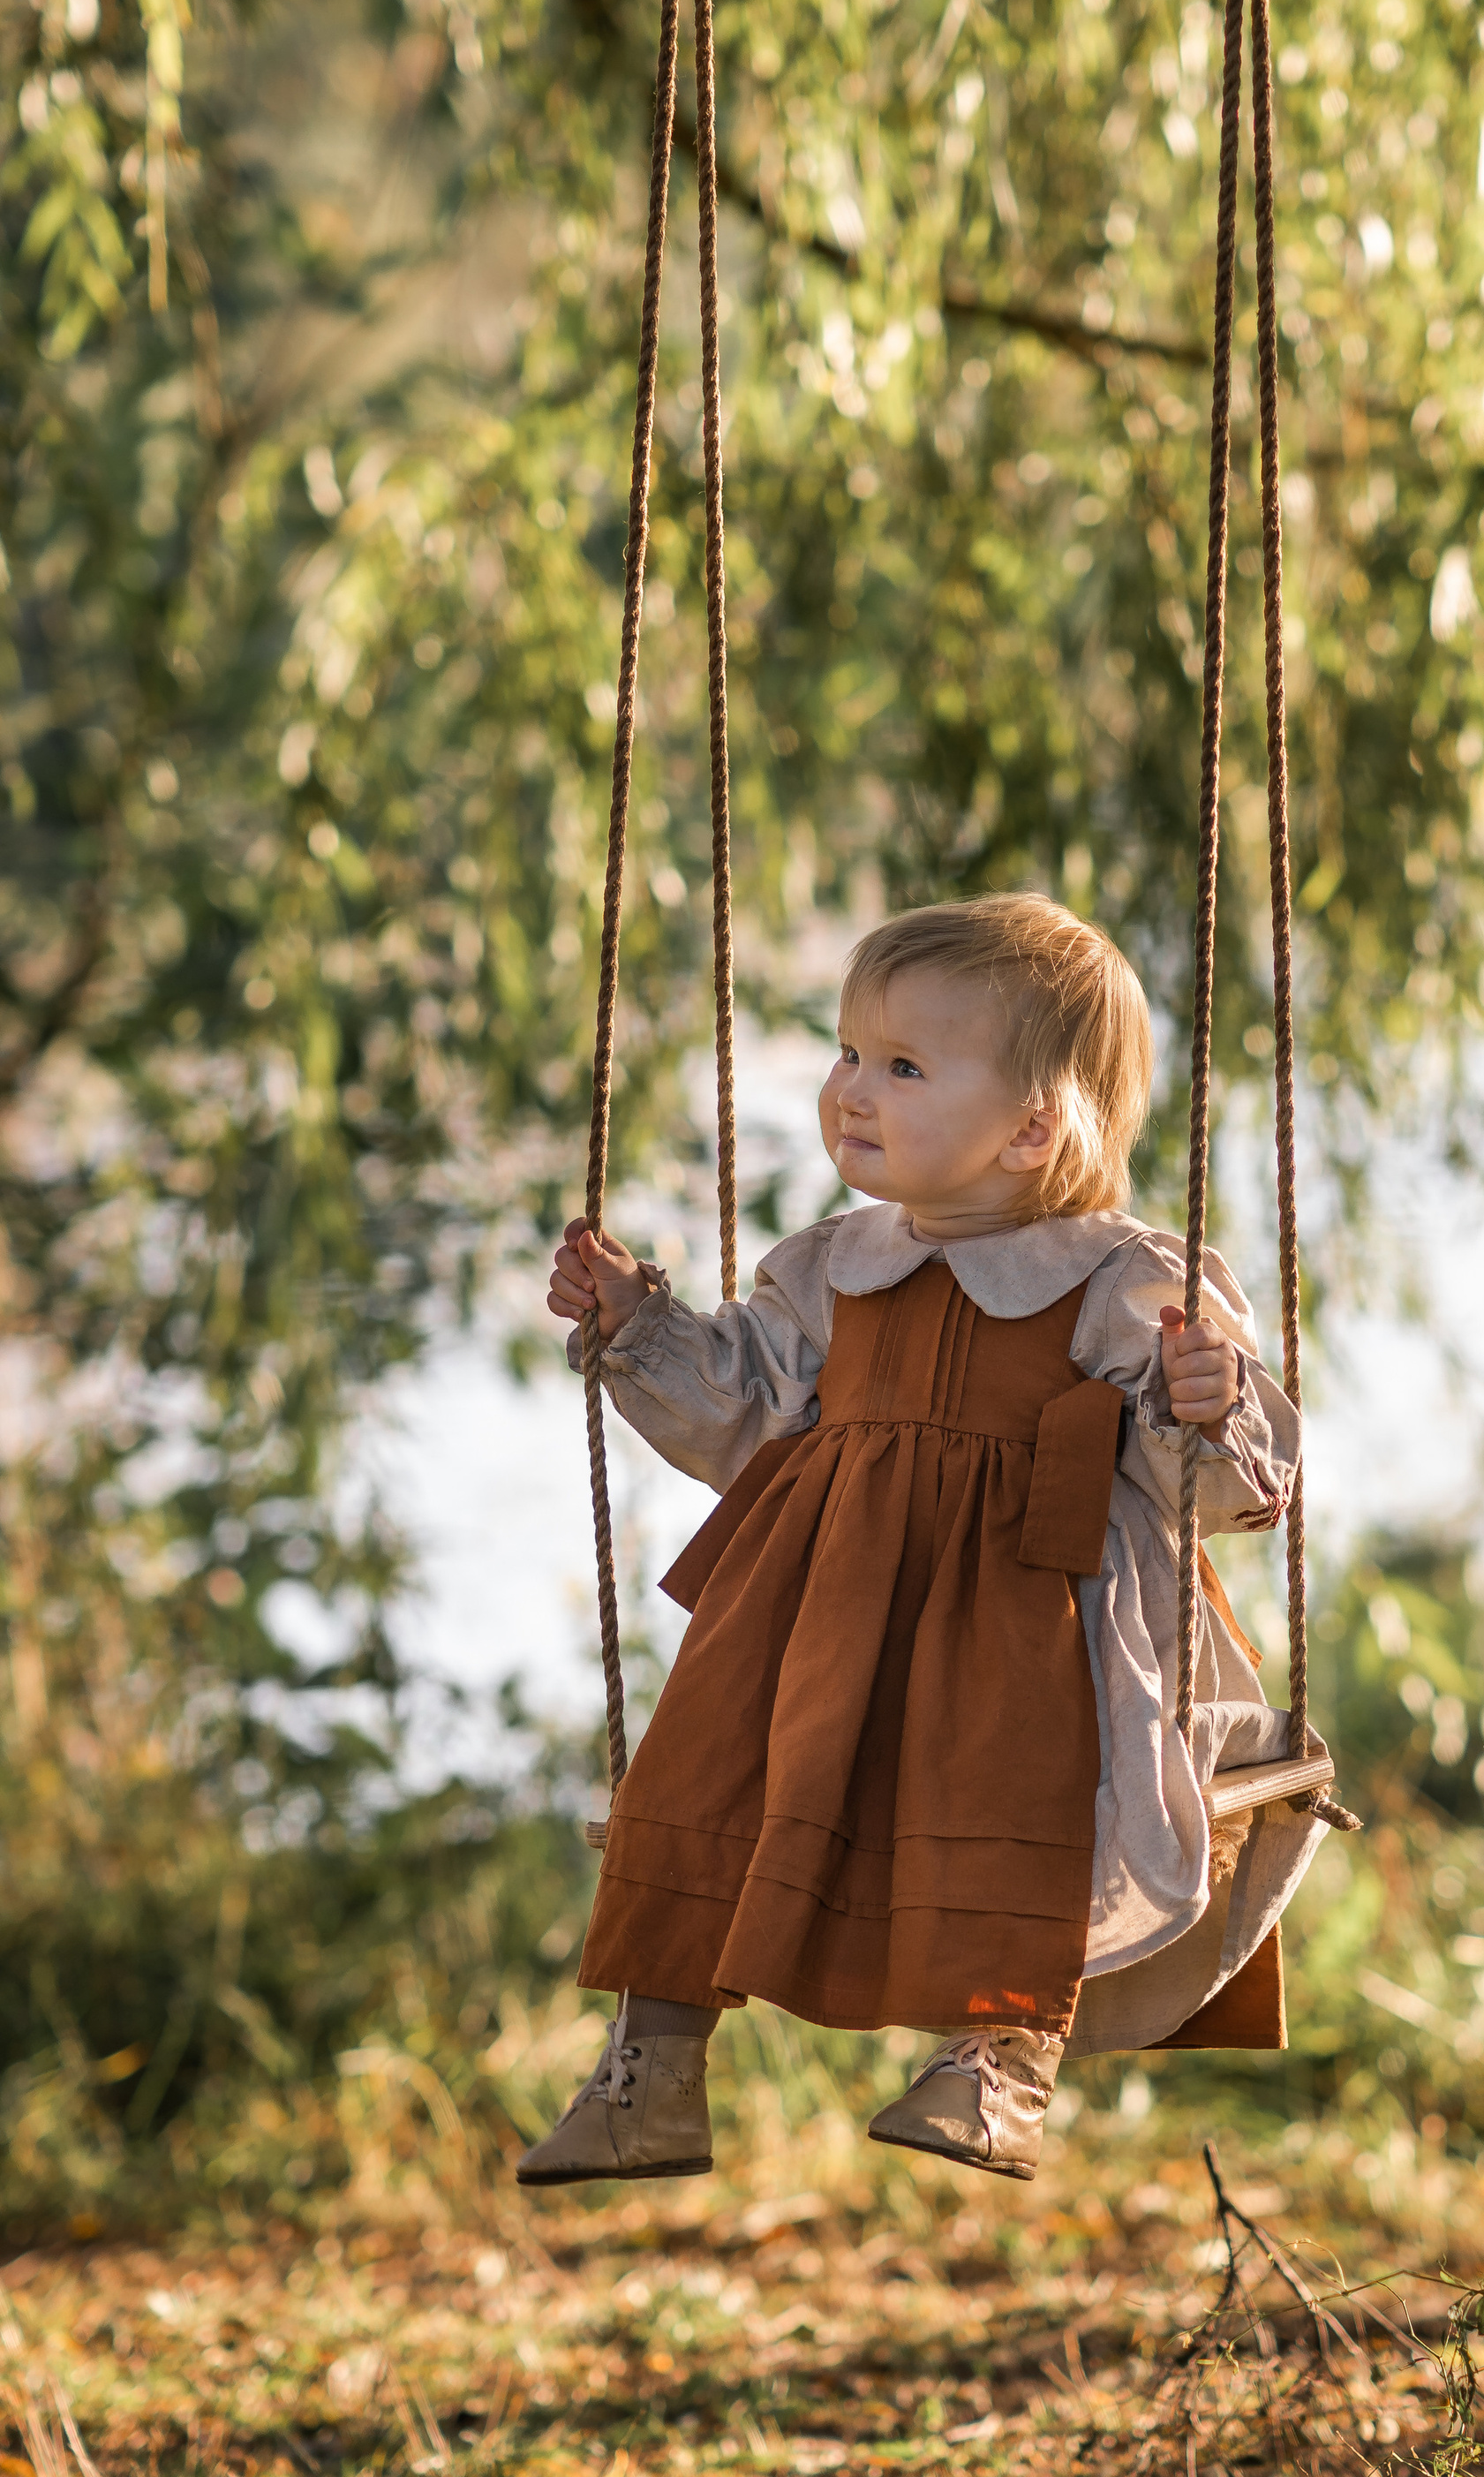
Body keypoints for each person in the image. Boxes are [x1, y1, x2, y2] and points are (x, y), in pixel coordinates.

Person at [516, 894, 1331, 2189]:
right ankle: (650, 2073)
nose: (850, 1089)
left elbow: (1213, 1488)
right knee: (706, 1777)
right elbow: (740, 1401)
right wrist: (638, 1323)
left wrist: (1207, 1401)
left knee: (1017, 1800)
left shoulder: (1123, 1277)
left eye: (901, 1066)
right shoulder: (835, 1262)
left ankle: (999, 2059)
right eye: (847, 1052)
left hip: (1026, 1613)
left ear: (1031, 1128)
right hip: (812, 1611)